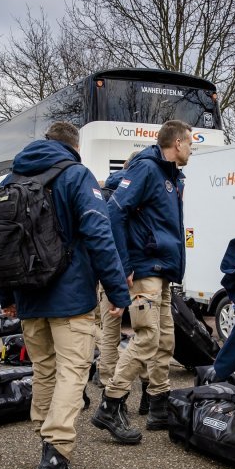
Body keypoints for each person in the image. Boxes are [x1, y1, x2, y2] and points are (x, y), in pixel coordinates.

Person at [0, 122, 130, 469]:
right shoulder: (76, 175)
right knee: (73, 373)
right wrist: (118, 291)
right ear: (75, 146)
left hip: (27, 296)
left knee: (44, 370)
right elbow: (98, 233)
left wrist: (6, 295)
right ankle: (55, 459)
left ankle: (45, 443)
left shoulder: (11, 178)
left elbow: (0, 241)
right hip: (69, 296)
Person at [92, 120, 193, 441]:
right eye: (190, 142)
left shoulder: (170, 176)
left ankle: (159, 404)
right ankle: (111, 403)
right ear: (177, 143)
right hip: (145, 270)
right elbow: (114, 211)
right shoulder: (147, 169)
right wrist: (124, 265)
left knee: (165, 340)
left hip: (162, 271)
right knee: (148, 337)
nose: (192, 148)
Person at [94, 152, 151, 416]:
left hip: (111, 270)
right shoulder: (141, 188)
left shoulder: (104, 192)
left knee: (109, 330)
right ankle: (148, 390)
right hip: (140, 269)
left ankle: (109, 385)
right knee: (146, 331)